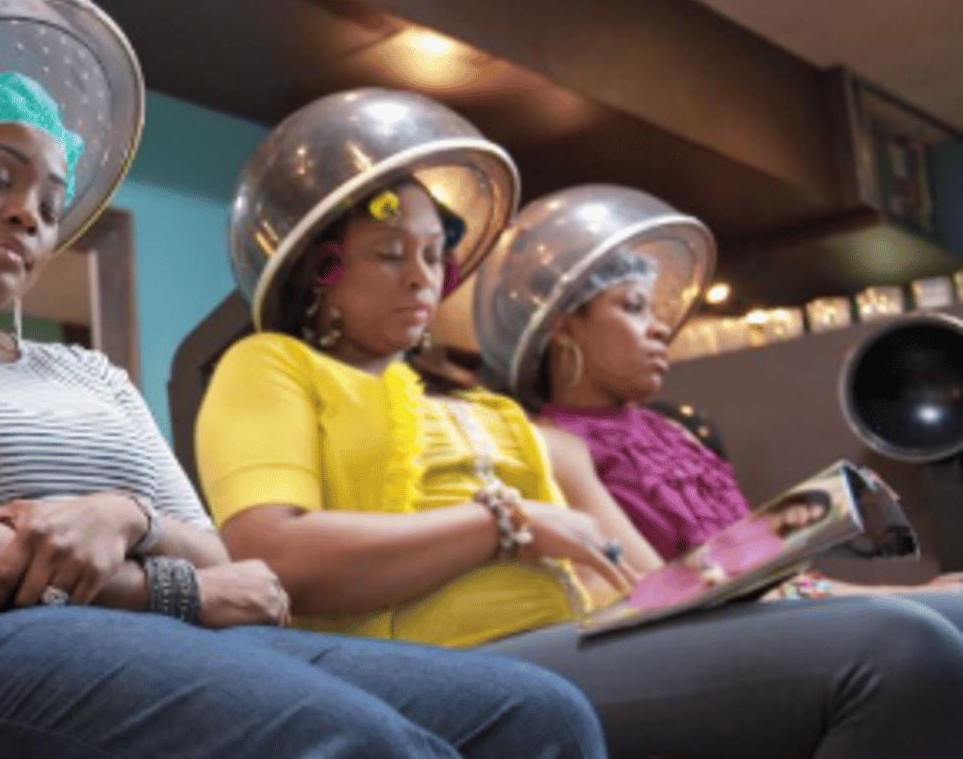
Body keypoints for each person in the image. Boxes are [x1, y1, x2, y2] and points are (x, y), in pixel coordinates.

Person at [0, 72, 607, 759]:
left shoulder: (87, 369)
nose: (31, 213)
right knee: (355, 745)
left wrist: (119, 512)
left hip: (184, 634)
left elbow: (228, 560)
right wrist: (174, 592)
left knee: (543, 718)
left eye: (51, 199)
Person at [196, 89, 963, 759]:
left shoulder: (496, 415)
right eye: (389, 253)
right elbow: (271, 553)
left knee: (950, 615)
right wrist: (509, 521)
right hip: (445, 664)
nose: (422, 276)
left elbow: (652, 584)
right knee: (901, 648)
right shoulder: (270, 366)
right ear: (320, 275)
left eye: (434, 256)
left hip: (585, 640)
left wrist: (798, 532)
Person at [472, 184, 963, 607]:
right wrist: (902, 600)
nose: (660, 328)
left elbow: (771, 582)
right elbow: (672, 595)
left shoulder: (672, 432)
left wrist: (910, 593)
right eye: (633, 307)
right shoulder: (552, 445)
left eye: (658, 310)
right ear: (563, 327)